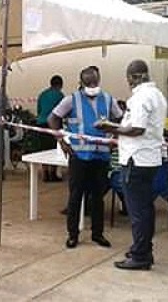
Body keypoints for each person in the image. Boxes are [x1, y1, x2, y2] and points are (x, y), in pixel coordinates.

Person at [97, 60, 168, 271]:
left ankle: (140, 256)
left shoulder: (140, 98)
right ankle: (143, 249)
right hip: (149, 159)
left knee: (138, 211)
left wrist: (109, 127)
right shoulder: (157, 95)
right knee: (145, 208)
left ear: (131, 78)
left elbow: (137, 129)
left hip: (136, 160)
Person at [49, 66, 121, 249]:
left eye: (95, 82)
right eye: (89, 82)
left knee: (98, 198)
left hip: (101, 156)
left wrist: (115, 138)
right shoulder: (71, 100)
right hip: (79, 157)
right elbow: (52, 119)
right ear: (81, 83)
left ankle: (98, 234)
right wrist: (63, 142)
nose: (93, 85)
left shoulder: (108, 99)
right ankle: (73, 235)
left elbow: (121, 120)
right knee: (75, 197)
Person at [36, 75, 64, 182]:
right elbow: (62, 111)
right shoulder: (60, 95)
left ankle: (45, 174)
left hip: (41, 124)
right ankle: (53, 174)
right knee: (54, 149)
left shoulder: (42, 94)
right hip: (53, 125)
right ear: (60, 85)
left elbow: (39, 110)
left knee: (44, 149)